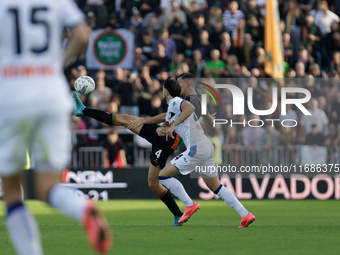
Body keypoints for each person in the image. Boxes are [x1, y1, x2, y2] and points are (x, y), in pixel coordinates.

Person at [0, 1, 112, 254]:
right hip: (51, 95)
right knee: (49, 185)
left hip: (11, 96)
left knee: (11, 191)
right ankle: (83, 208)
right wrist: (55, 63)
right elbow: (83, 34)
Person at [73, 92, 188, 226]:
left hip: (168, 142)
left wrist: (144, 120)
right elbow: (167, 117)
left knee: (153, 184)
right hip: (158, 132)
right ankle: (84, 110)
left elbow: (170, 118)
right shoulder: (177, 100)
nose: (163, 92)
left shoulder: (188, 103)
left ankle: (178, 213)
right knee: (125, 118)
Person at [157, 79, 255, 227]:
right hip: (206, 146)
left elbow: (189, 108)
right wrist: (161, 128)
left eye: (163, 89)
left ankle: (189, 204)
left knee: (163, 176)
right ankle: (245, 214)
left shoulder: (176, 101)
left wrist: (173, 125)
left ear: (166, 91)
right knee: (216, 187)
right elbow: (165, 124)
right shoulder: (174, 108)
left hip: (196, 148)